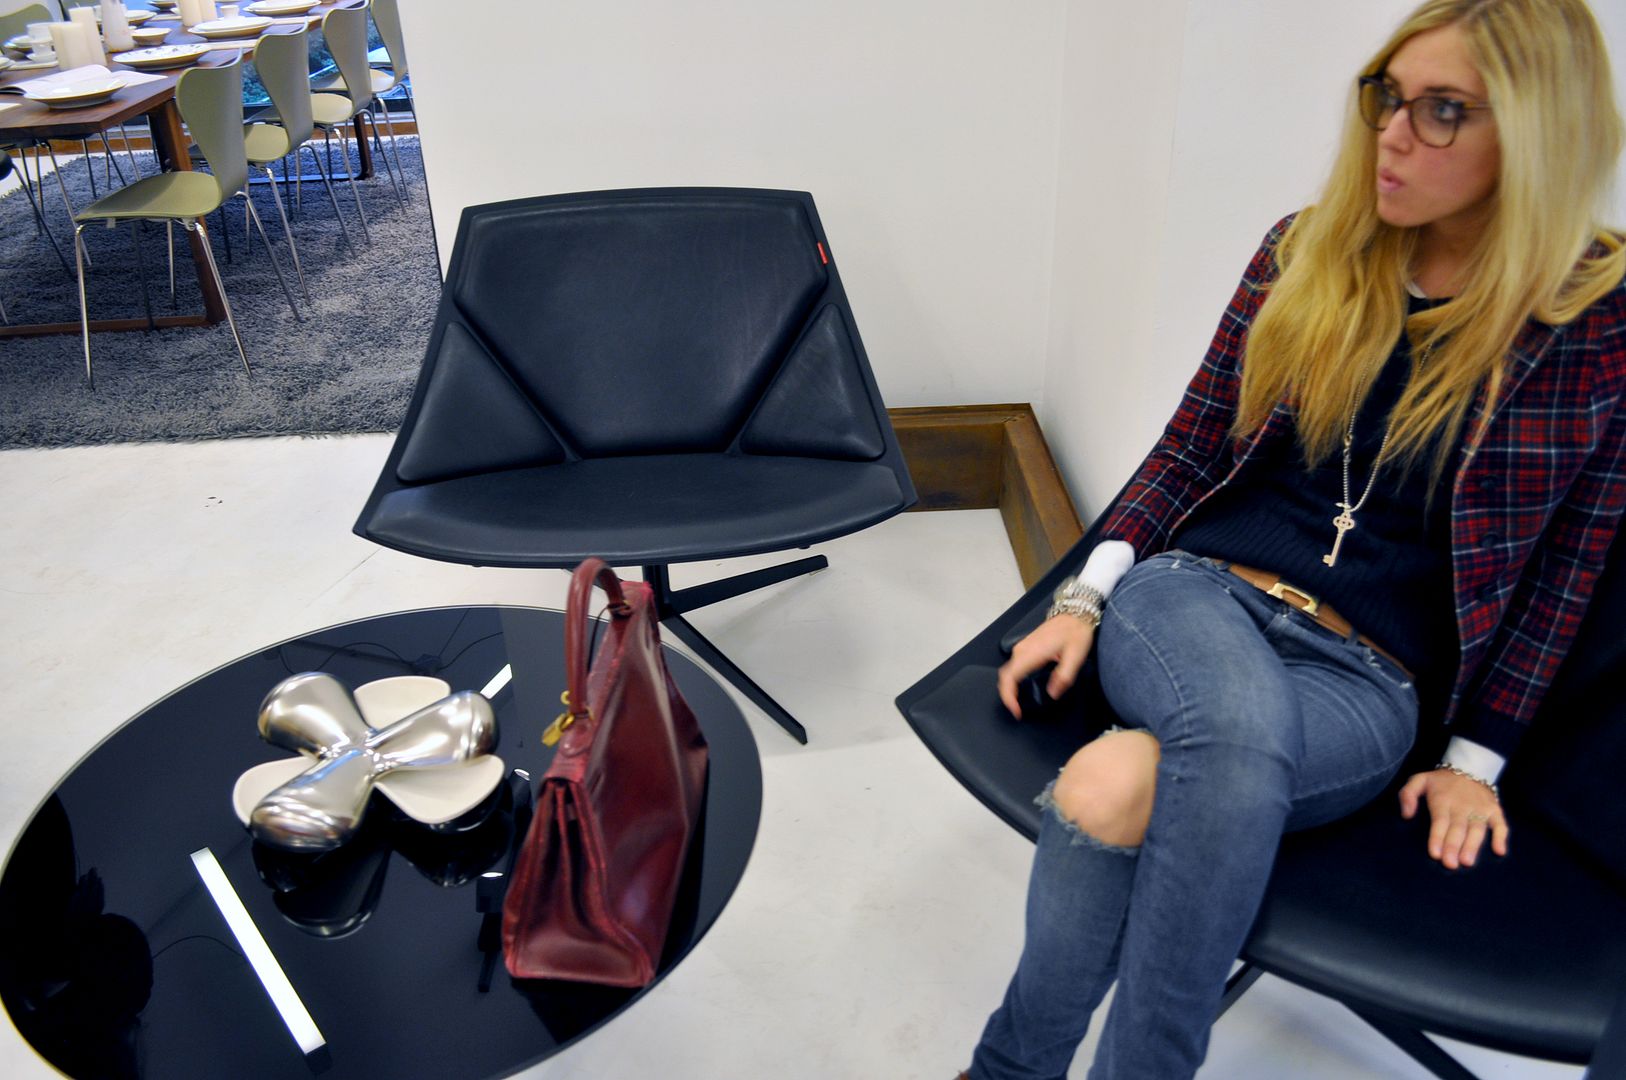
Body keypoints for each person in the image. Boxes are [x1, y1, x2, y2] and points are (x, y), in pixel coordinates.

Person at [960, 1, 1626, 1077]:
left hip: (1368, 681)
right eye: (1388, 97)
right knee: (1232, 735)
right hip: (1197, 599)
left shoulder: (1596, 325)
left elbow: (1568, 570)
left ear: (1539, 136)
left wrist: (1476, 761)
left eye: (1443, 111)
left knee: (1111, 785)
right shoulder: (1304, 250)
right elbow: (1187, 451)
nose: (1392, 134)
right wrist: (1081, 598)